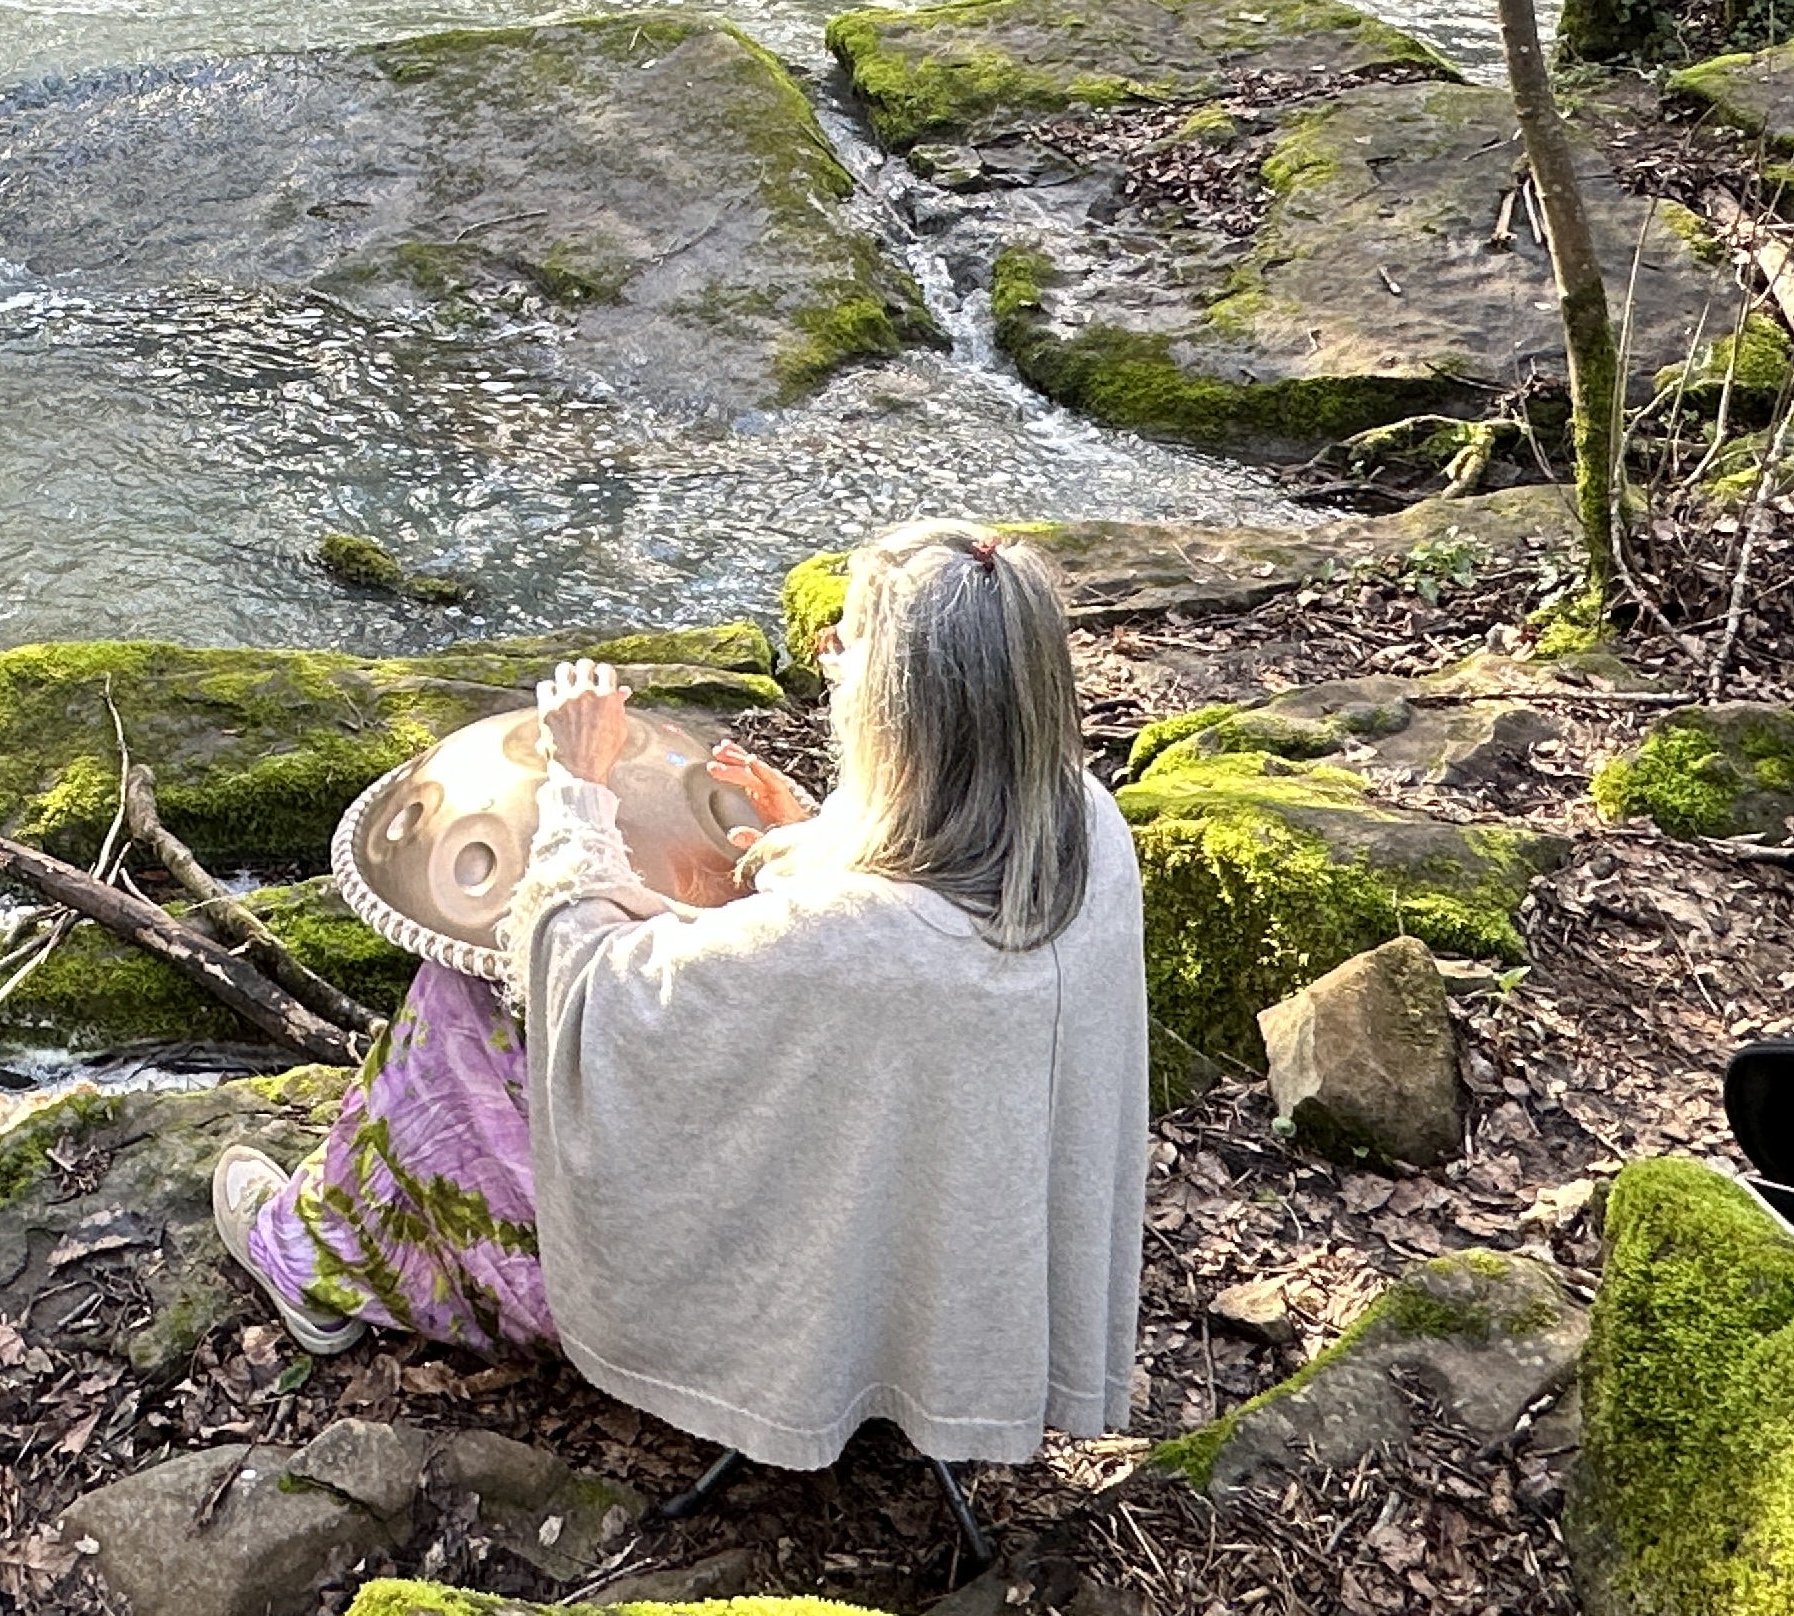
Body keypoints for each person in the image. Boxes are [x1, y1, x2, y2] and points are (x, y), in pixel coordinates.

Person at [214, 521, 1149, 1472]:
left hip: (802, 1255)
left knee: (462, 998)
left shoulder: (857, 941)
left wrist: (577, 785)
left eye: (857, 637)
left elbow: (591, 984)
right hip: (956, 1254)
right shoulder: (1091, 832)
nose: (831, 652)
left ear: (912, 710)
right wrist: (817, 837)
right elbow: (926, 925)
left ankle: (312, 1256)